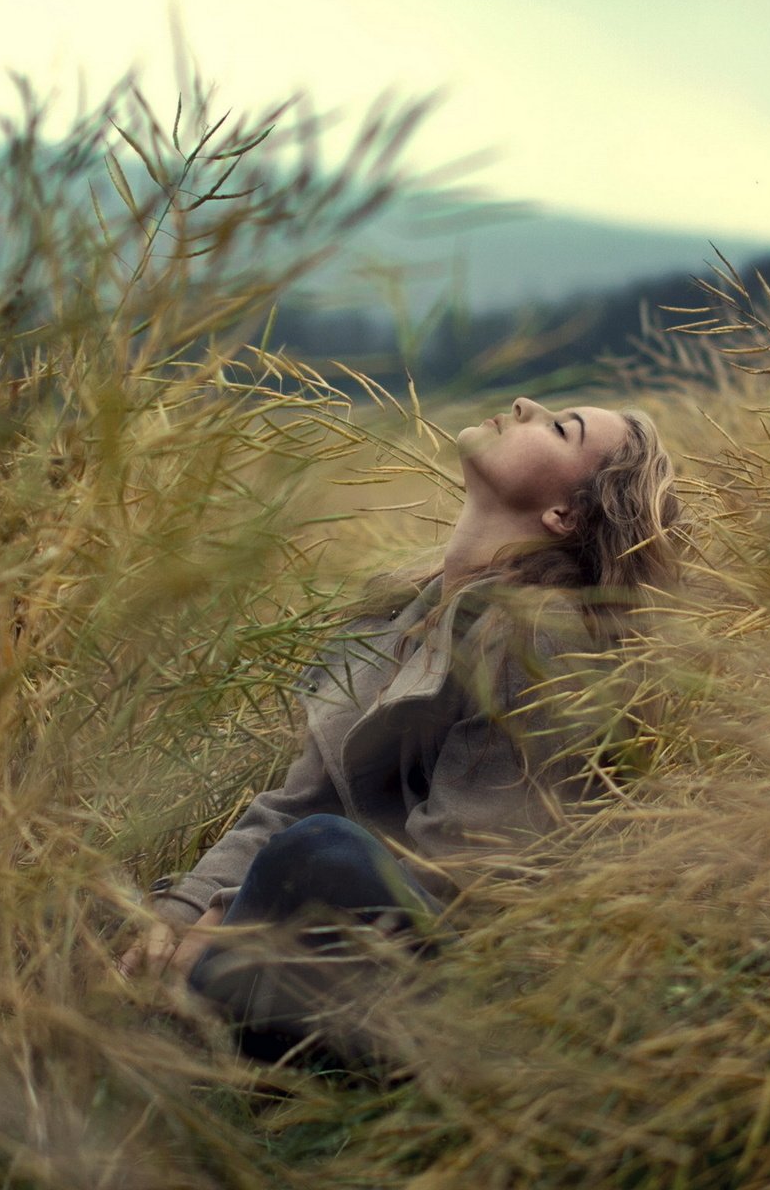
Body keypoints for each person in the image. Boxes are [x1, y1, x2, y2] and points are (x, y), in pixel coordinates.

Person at [119, 395, 680, 1061]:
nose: (527, 403)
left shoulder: (537, 643)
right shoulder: (402, 617)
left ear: (564, 513)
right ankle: (181, 1002)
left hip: (433, 985)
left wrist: (233, 913)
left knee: (320, 853)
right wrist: (179, 914)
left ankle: (207, 1012)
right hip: (326, 934)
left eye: (561, 428)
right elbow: (295, 800)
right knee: (113, 902)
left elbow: (465, 879)